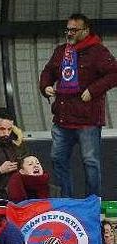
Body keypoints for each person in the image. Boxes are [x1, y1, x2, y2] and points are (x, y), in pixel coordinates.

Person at [39, 13, 117, 198]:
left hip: (87, 120)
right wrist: (46, 86)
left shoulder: (98, 51)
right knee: (58, 159)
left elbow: (114, 73)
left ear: (86, 31)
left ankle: (92, 202)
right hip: (62, 118)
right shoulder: (61, 51)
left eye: (74, 30)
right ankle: (67, 201)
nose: (70, 33)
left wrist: (93, 90)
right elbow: (48, 71)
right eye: (68, 29)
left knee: (91, 162)